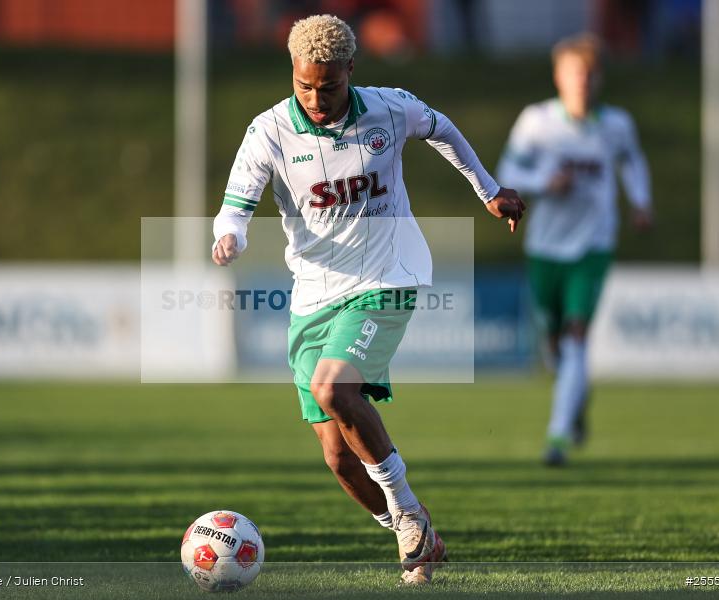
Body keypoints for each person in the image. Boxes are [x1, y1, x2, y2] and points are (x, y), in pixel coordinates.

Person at [211, 14, 525, 584]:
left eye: (328, 86)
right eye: (304, 84)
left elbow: (441, 128)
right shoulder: (269, 132)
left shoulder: (388, 107)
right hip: (314, 294)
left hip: (388, 275)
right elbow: (236, 202)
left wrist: (488, 189)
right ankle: (414, 528)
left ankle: (406, 511)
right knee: (337, 457)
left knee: (337, 387)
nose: (314, 97)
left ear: (350, 72)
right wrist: (229, 235)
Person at [496, 33, 652, 467]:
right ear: (558, 77)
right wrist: (546, 182)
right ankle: (576, 398)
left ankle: (558, 437)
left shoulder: (616, 124)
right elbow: (507, 170)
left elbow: (633, 161)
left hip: (593, 245)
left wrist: (641, 201)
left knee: (577, 333)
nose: (580, 81)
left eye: (588, 73)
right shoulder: (538, 121)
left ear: (598, 78)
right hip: (545, 245)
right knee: (554, 342)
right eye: (572, 73)